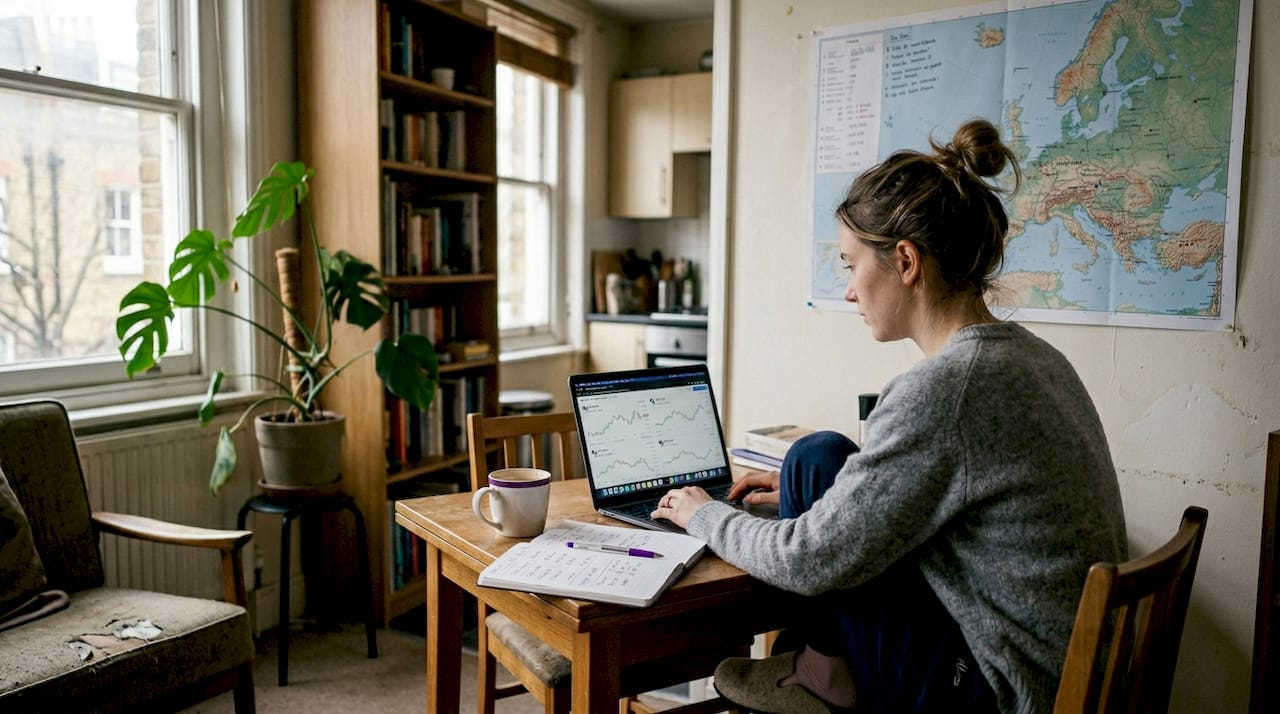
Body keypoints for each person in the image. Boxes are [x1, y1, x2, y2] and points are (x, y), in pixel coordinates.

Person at [651, 118, 1127, 714]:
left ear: (905, 261)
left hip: (1002, 691)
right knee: (818, 458)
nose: (849, 290)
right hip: (1047, 662)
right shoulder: (1032, 357)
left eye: (851, 265)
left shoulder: (947, 389)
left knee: (814, 521)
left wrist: (704, 515)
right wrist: (822, 489)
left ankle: (824, 675)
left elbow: (805, 560)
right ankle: (825, 669)